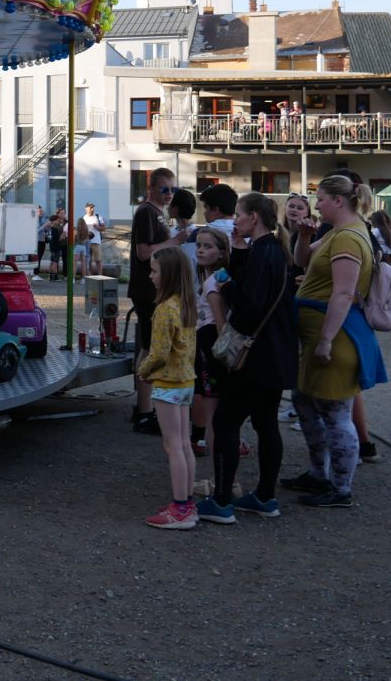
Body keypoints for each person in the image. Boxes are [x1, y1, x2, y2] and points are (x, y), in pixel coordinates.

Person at [278, 172, 388, 508]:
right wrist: (303, 236)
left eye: (321, 199)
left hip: (335, 337)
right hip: (317, 335)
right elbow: (302, 260)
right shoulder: (338, 232)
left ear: (338, 201)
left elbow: (343, 293)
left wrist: (326, 340)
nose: (317, 206)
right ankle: (319, 474)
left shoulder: (348, 239)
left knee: (336, 414)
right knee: (306, 402)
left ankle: (341, 488)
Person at [197, 192, 298, 524]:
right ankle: (265, 497)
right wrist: (239, 249)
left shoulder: (263, 252)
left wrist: (226, 285)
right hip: (277, 352)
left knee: (226, 422)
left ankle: (222, 500)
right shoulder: (274, 249)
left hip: (256, 356)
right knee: (266, 423)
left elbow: (250, 306)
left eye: (240, 215)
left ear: (254, 217)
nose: (235, 220)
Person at [140, 246, 200, 530]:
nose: (150, 276)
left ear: (169, 274)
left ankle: (180, 510)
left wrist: (142, 370)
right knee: (184, 444)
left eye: (154, 271)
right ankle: (187, 504)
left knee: (172, 446)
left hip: (167, 384)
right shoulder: (186, 304)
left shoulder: (164, 309)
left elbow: (159, 353)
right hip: (186, 381)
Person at [132, 169, 194, 435]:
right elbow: (143, 252)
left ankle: (145, 407)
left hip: (157, 289)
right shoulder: (146, 212)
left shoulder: (159, 212)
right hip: (147, 289)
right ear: (151, 188)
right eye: (164, 189)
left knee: (152, 345)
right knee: (150, 347)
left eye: (173, 189)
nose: (169, 194)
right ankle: (144, 411)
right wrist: (175, 241)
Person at [189, 227, 232, 459]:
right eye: (198, 245)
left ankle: (221, 472)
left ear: (222, 252)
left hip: (211, 346)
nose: (201, 250)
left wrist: (225, 353)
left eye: (208, 246)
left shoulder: (214, 281)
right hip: (208, 344)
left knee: (214, 414)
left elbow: (220, 321)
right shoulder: (213, 278)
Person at [79, 202, 106, 276]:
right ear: (86, 208)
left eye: (93, 207)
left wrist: (97, 227)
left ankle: (100, 276)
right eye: (90, 207)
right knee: (88, 261)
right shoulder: (83, 218)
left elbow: (104, 228)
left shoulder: (98, 217)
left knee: (98, 260)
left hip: (96, 242)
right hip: (86, 242)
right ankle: (89, 277)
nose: (92, 209)